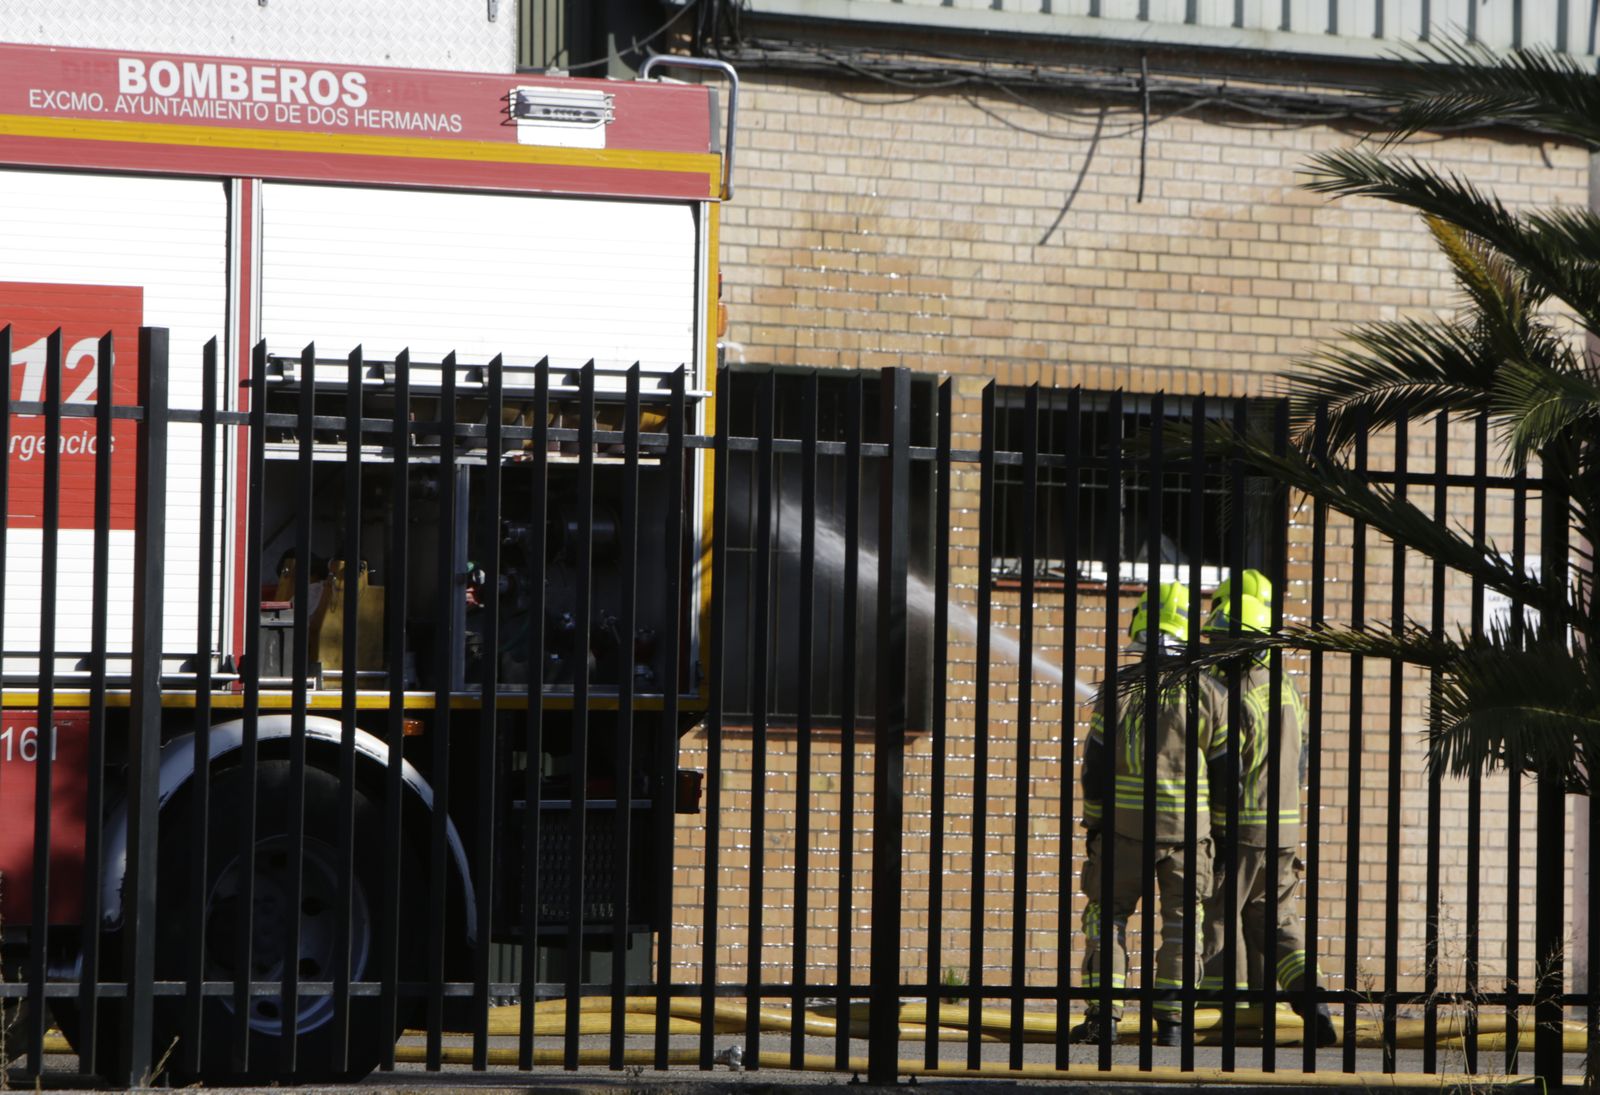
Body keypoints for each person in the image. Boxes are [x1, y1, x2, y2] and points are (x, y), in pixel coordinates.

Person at [1072, 581, 1231, 1047]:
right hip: (1188, 837)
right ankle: (1174, 1024)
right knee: (1184, 928)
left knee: (1108, 919)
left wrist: (1095, 823)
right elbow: (1225, 778)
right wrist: (1218, 834)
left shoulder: (1117, 691)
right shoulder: (1209, 693)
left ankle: (1105, 1017)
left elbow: (1094, 769)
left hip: (1122, 833)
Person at [1198, 568, 1337, 1048]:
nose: (1213, 646)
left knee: (1219, 914)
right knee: (1276, 918)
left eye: (1219, 638)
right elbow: (1300, 761)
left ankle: (1224, 1015)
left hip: (1239, 827)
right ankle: (1312, 997)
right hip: (1283, 828)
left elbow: (1225, 769)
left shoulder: (1230, 693)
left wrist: (1213, 823)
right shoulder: (1285, 686)